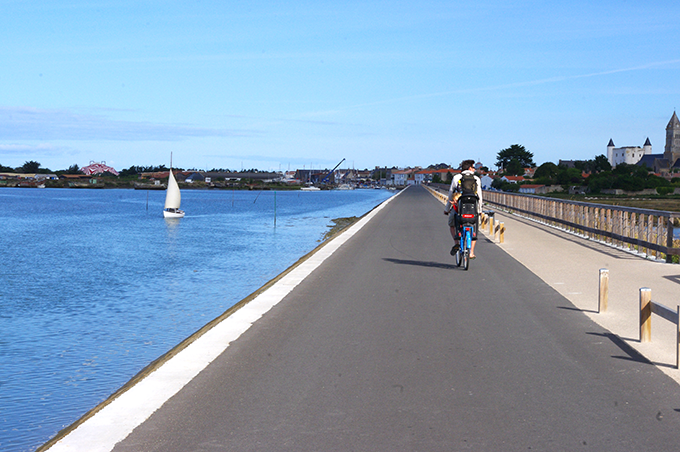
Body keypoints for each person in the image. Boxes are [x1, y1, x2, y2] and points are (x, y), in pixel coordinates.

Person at [444, 159, 483, 258]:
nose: (475, 169)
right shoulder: (476, 179)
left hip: (459, 207)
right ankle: (471, 252)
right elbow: (479, 196)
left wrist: (447, 208)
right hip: (473, 208)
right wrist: (480, 210)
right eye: (474, 167)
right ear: (470, 168)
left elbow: (451, 194)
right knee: (475, 228)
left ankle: (456, 242)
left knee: (452, 224)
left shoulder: (457, 177)